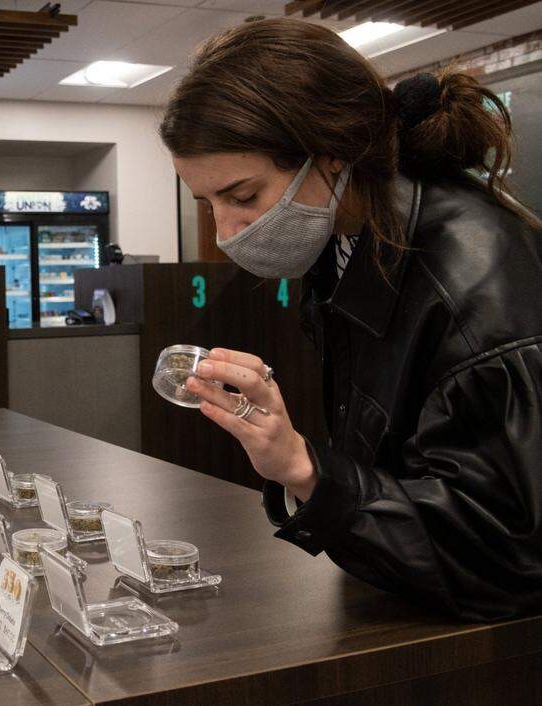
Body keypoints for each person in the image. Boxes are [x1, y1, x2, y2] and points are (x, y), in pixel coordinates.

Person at [161, 18, 542, 621]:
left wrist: (303, 467)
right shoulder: (345, 240)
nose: (226, 232)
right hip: (405, 599)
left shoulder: (474, 283)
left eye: (243, 196)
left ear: (333, 152)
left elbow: (506, 556)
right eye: (207, 203)